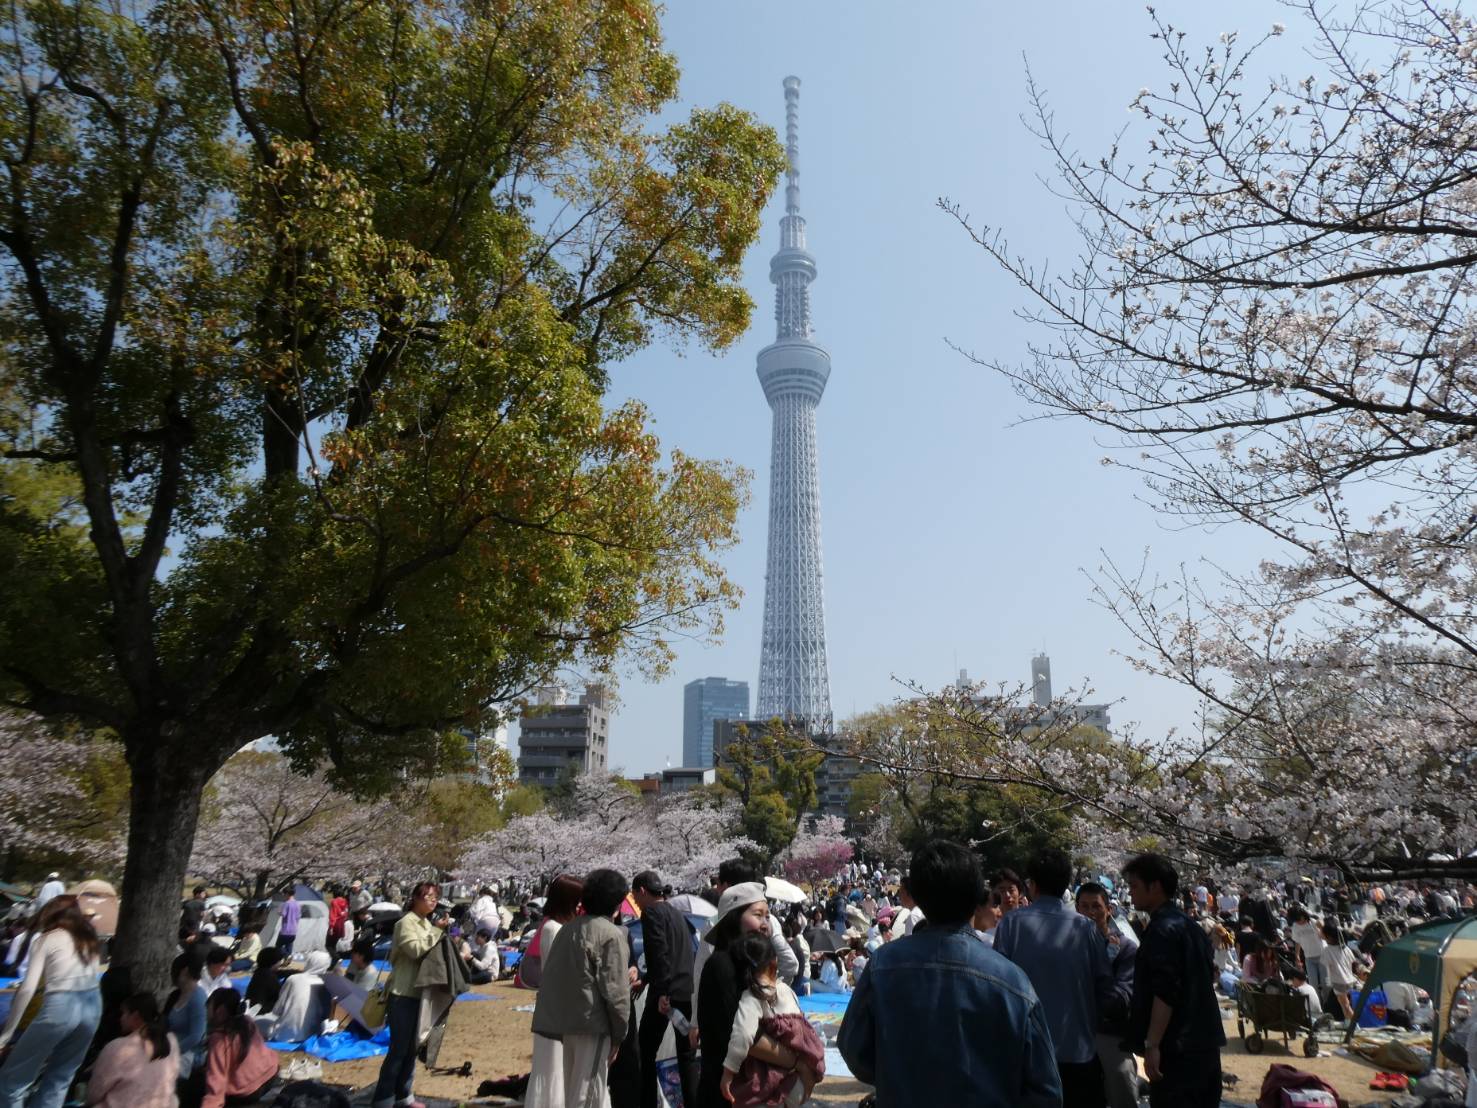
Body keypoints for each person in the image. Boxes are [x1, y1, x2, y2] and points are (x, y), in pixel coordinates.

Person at [838, 840, 1061, 1107]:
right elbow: (1046, 1089)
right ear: (976, 896)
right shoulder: (1012, 980)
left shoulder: (882, 966)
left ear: (917, 895)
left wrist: (897, 1075)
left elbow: (853, 1049)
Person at [993, 849, 1114, 1107]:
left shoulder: (1011, 924)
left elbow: (998, 986)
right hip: (1078, 1051)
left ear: (1032, 885)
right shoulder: (1086, 928)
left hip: (1026, 1052)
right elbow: (1104, 986)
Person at [1121, 852, 1224, 1108]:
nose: (1130, 892)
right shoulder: (1191, 926)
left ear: (1154, 886)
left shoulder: (1162, 930)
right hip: (1205, 1044)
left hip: (1178, 1049)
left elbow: (1165, 992)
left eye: (1134, 885)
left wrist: (1152, 1044)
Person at [695, 882, 807, 1108]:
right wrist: (797, 1062)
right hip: (728, 1093)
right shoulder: (721, 965)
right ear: (734, 919)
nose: (765, 924)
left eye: (767, 916)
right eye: (758, 915)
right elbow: (745, 1035)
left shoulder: (754, 966)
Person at [530, 869, 632, 1108]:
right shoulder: (610, 934)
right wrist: (619, 1032)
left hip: (568, 1023)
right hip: (593, 1024)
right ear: (616, 903)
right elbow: (616, 991)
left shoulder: (568, 929)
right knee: (587, 1094)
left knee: (573, 1090)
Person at [0, 895, 103, 1108]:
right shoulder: (90, 938)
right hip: (93, 1004)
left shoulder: (46, 939)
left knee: (13, 1079)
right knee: (60, 1079)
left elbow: (27, 989)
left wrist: (6, 1035)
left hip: (60, 1006)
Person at [719, 933, 822, 1108]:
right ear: (775, 962)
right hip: (803, 1077)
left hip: (772, 1081)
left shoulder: (752, 997)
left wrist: (728, 1072)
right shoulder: (787, 991)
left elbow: (743, 1035)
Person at [371, 881, 449, 1108]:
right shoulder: (406, 923)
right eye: (428, 896)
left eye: (435, 897)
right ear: (415, 898)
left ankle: (404, 1096)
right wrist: (437, 931)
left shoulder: (426, 923)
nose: (433, 901)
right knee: (399, 1049)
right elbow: (415, 950)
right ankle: (383, 1098)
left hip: (421, 993)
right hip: (402, 993)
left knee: (412, 1049)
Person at [631, 870, 696, 1108]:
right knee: (686, 1055)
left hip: (665, 994)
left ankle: (647, 1102)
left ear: (642, 891)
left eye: (635, 896)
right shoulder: (676, 913)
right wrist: (647, 979)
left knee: (644, 1051)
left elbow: (659, 953)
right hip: (685, 989)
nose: (636, 902)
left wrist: (662, 992)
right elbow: (677, 952)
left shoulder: (651, 912)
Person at [1076, 882, 1138, 1108]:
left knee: (1121, 1078)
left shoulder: (1125, 948)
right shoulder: (1069, 947)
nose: (1090, 912)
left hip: (1110, 1032)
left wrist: (1104, 962)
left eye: (1096, 906)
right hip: (1075, 1031)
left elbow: (1121, 998)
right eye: (1084, 906)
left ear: (1108, 910)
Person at [524, 873, 583, 1108]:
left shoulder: (559, 926)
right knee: (552, 1064)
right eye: (577, 899)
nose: (580, 904)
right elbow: (558, 970)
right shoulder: (553, 928)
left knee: (560, 1064)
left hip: (560, 1005)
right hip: (556, 1007)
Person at [85, 991, 178, 1108]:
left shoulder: (118, 1048)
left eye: (123, 1013)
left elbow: (94, 1094)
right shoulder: (172, 1042)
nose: (120, 1018)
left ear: (135, 1017)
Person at [190, 989, 278, 1108]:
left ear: (220, 1011)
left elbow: (216, 1083)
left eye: (208, 1008)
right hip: (270, 1075)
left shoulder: (219, 1039)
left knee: (193, 1087)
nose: (206, 1013)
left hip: (248, 1091)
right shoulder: (247, 1021)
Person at [256, 950, 332, 1043]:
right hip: (311, 1034)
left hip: (285, 1034)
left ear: (309, 962)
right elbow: (325, 1015)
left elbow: (277, 1010)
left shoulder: (294, 979)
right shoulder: (327, 984)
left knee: (256, 1021)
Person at [167, 952, 209, 1082]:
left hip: (188, 1055)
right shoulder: (176, 995)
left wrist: (171, 1052)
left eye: (174, 971)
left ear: (184, 971)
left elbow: (196, 1036)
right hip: (172, 1048)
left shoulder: (198, 998)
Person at [1320, 921, 1357, 1020]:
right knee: (1346, 1004)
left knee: (1345, 1006)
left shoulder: (1327, 950)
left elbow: (1327, 968)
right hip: (1350, 980)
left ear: (1328, 936)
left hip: (1339, 981)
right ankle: (1349, 1023)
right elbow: (1352, 962)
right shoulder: (1345, 948)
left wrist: (1328, 982)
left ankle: (1354, 1025)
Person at [243, 947, 284, 1015]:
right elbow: (279, 996)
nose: (280, 963)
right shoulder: (269, 977)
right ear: (273, 962)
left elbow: (279, 973)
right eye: (279, 961)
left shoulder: (259, 972)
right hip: (261, 1012)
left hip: (252, 1008)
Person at [276, 890, 300, 956]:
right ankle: (287, 957)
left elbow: (283, 914)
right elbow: (298, 916)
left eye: (284, 894)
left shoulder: (287, 903)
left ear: (287, 894)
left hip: (285, 929)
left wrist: (279, 911)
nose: (284, 896)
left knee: (278, 946)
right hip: (293, 930)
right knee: (289, 946)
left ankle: (286, 955)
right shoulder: (297, 904)